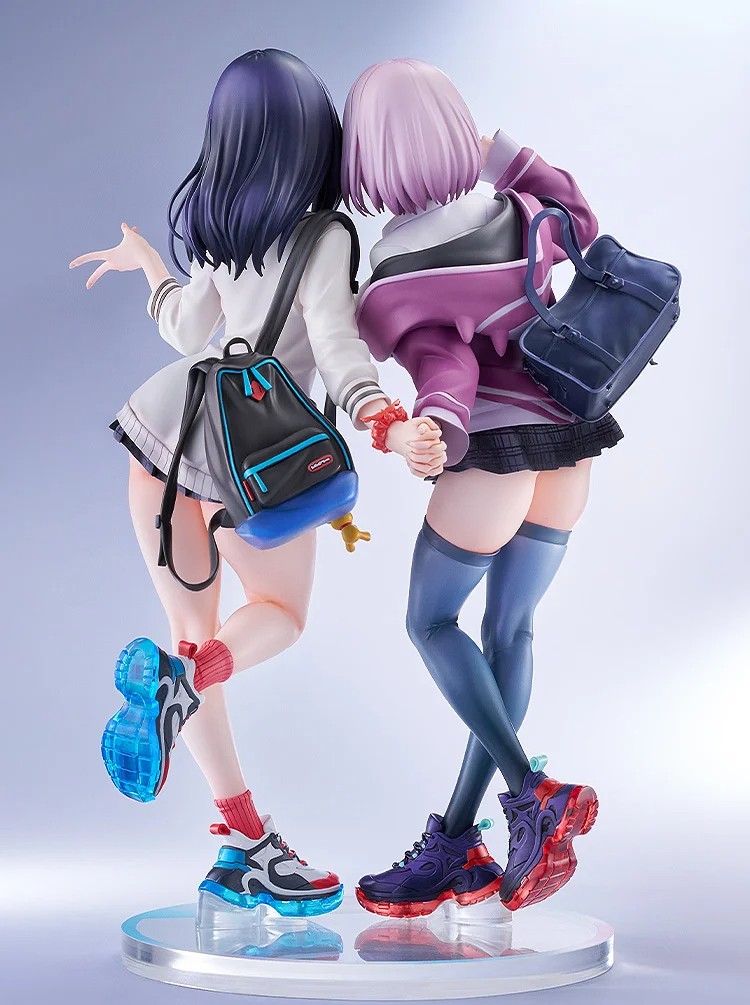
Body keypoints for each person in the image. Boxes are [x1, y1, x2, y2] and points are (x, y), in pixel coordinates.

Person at [70, 48, 446, 917]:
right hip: (255, 457)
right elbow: (340, 352)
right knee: (276, 616)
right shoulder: (326, 235)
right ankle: (188, 686)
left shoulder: (222, 229)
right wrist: (387, 424)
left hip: (160, 437)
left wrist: (147, 262)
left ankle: (243, 844)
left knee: (186, 638)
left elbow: (185, 330)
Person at [343, 58, 617, 915]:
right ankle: (458, 845)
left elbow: (446, 364)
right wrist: (505, 153)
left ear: (369, 153)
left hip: (497, 452)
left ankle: (531, 792)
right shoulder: (520, 210)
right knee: (510, 632)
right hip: (571, 443)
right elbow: (582, 216)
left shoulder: (398, 266)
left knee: (431, 622)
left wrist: (437, 425)